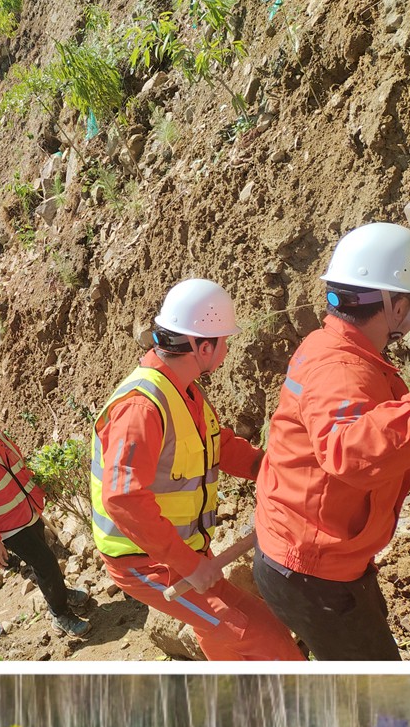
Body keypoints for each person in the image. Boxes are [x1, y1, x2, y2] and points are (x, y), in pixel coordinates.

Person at [90, 279, 303, 661]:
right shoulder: (141, 408)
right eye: (224, 341)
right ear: (203, 347)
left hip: (180, 551)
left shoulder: (181, 389)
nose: (227, 348)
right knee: (256, 634)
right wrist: (187, 564)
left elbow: (214, 445)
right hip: (144, 563)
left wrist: (269, 467)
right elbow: (122, 499)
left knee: (237, 628)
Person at [253, 222, 410, 660]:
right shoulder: (340, 368)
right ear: (394, 306)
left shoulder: (329, 344)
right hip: (313, 576)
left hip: (308, 559)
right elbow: (351, 450)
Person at [0, 388, 91, 637]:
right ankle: (60, 615)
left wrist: (42, 490)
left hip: (28, 509)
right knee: (46, 564)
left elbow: (20, 465)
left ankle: (63, 594)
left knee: (48, 561)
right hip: (10, 528)